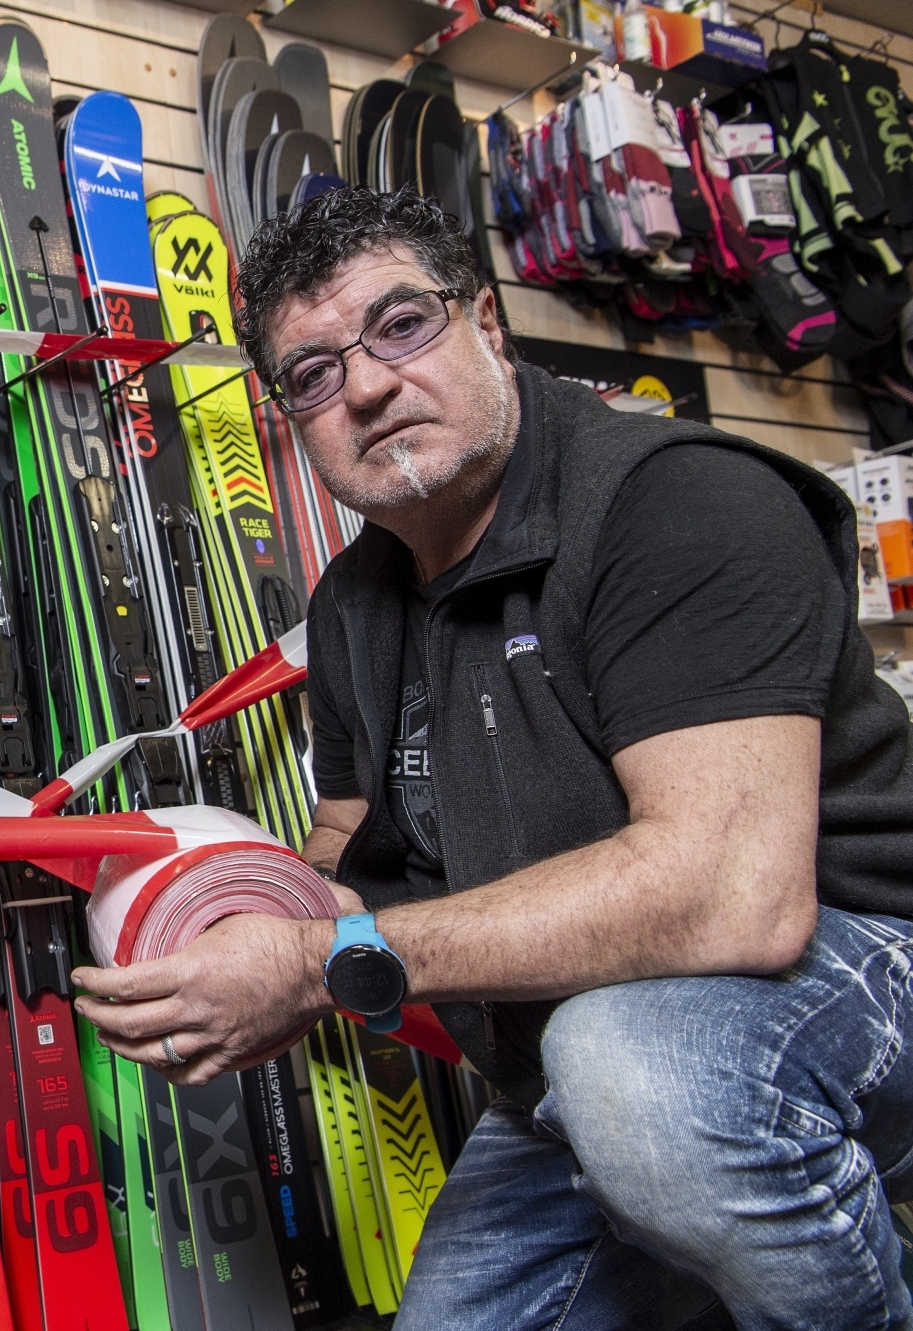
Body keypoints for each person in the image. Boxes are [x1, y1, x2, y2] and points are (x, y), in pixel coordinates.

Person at [71, 187, 913, 1331]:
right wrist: (232, 928)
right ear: (288, 419)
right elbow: (350, 838)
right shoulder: (354, 604)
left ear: (487, 323)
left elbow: (733, 897)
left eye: (400, 326)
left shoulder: (678, 505)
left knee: (639, 1077)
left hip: (850, 968)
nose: (363, 386)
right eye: (312, 374)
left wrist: (318, 963)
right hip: (580, 1056)